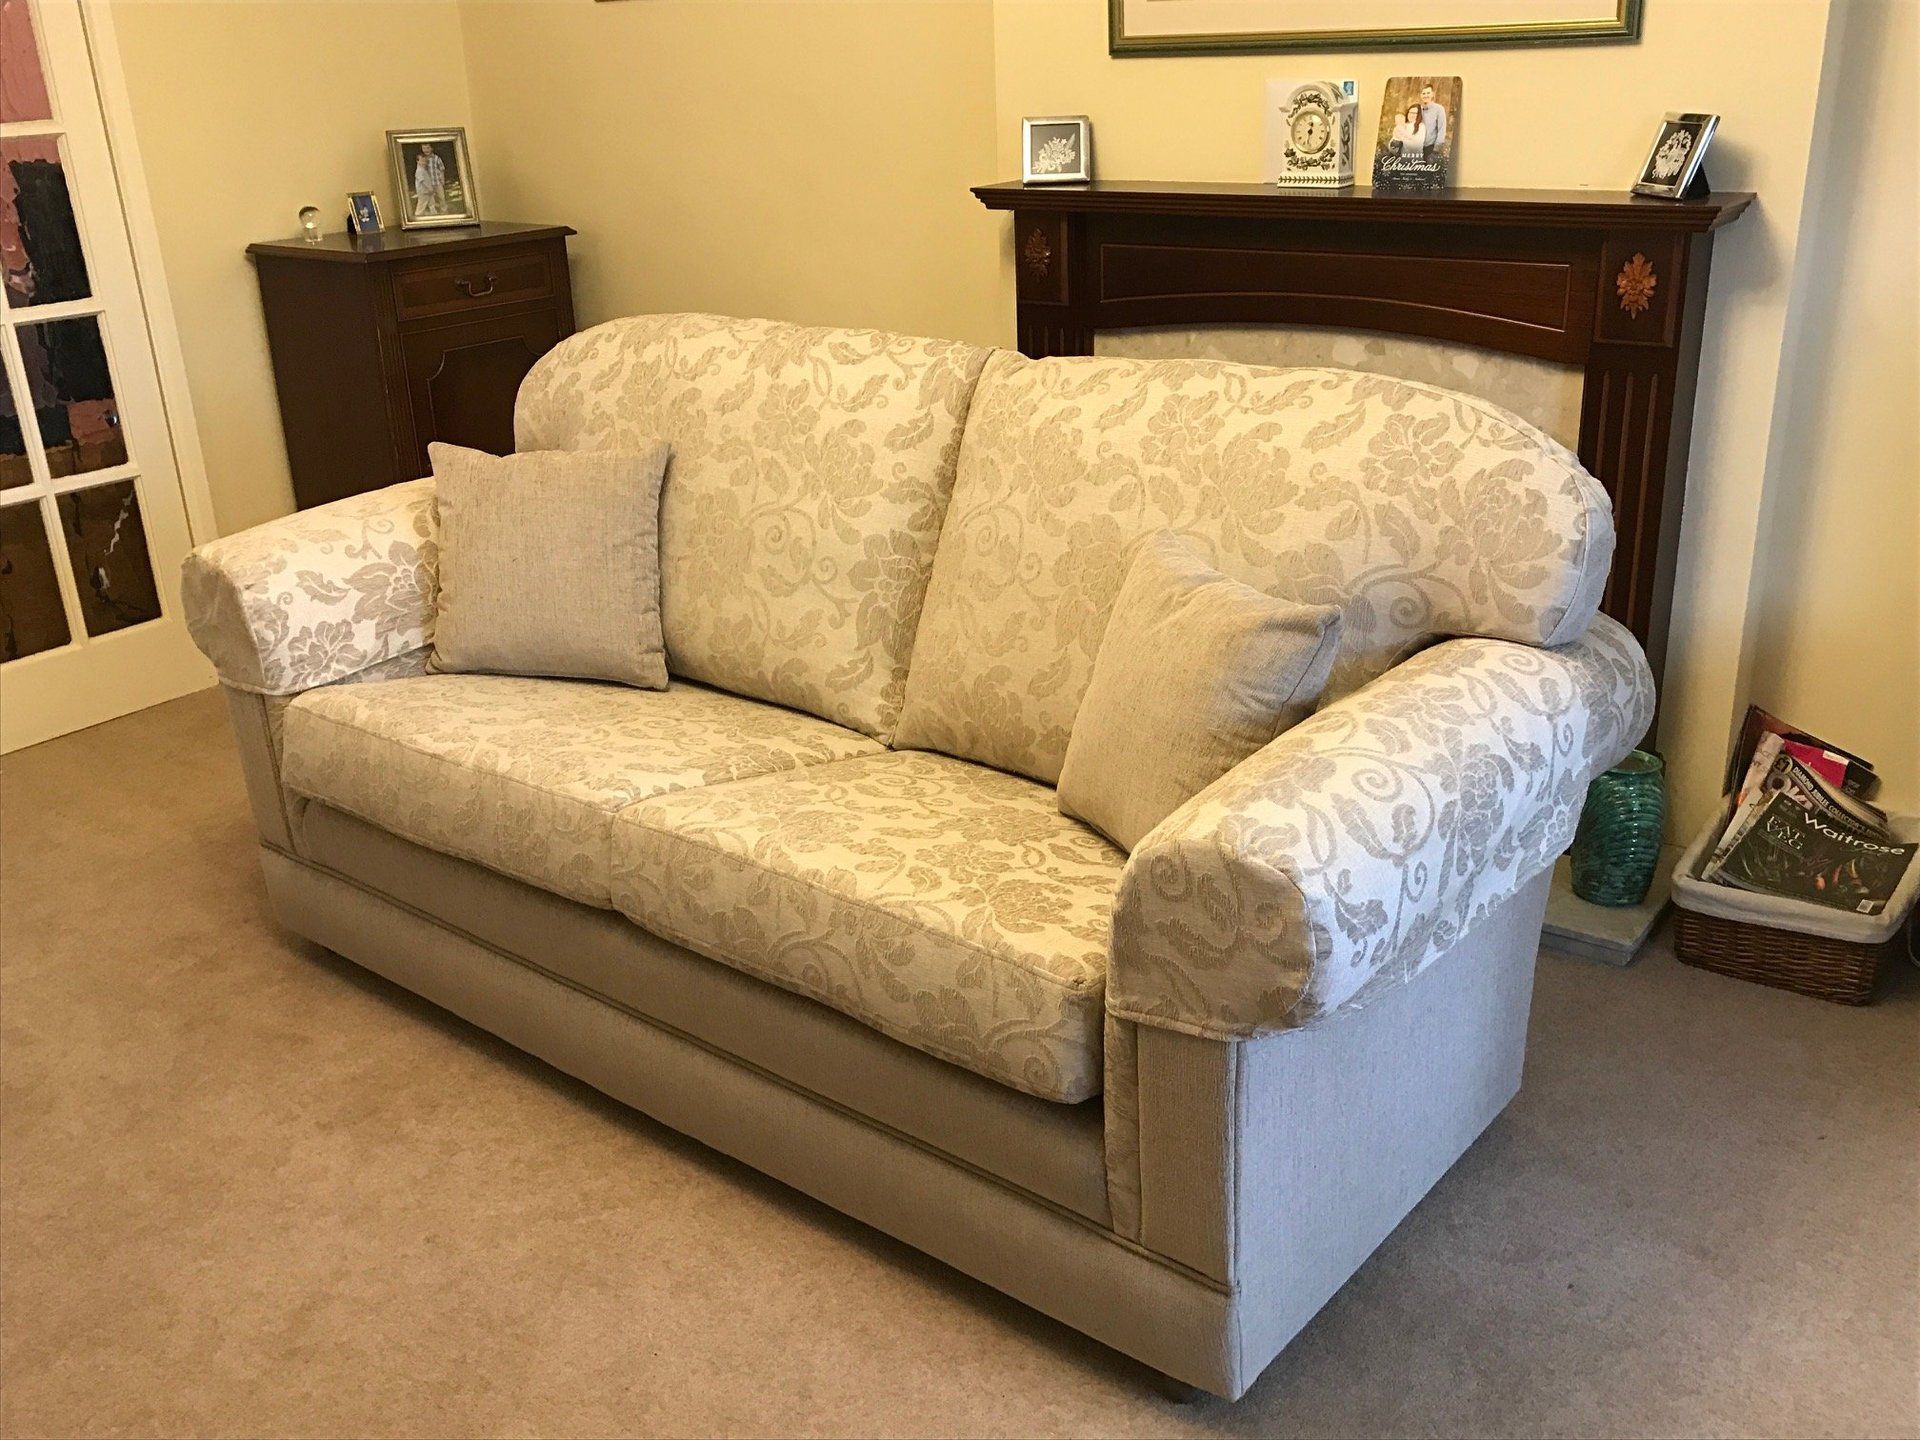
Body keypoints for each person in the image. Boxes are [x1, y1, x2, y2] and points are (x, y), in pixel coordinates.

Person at [412, 144, 448, 217]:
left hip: (437, 181)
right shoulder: (422, 159)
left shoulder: (436, 158)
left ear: (432, 148)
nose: (426, 150)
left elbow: (441, 169)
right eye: (424, 148)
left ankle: (444, 212)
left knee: (441, 197)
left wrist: (442, 179)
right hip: (428, 183)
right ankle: (432, 213)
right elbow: (421, 173)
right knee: (430, 199)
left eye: (428, 148)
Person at [1418, 83, 1448, 153]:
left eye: (1428, 93)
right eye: (1423, 93)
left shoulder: (1439, 109)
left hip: (1430, 147)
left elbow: (1442, 129)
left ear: (1432, 94)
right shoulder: (1418, 108)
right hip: (1417, 147)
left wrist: (1436, 149)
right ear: (1420, 95)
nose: (1426, 95)